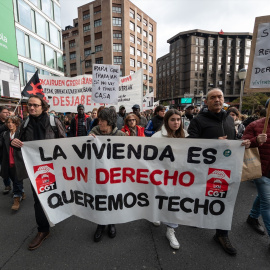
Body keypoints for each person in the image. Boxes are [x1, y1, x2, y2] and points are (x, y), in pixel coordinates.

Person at [187, 88, 250, 256]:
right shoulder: (198, 121)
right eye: (213, 97)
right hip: (203, 170)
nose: (217, 99)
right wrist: (214, 143)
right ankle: (196, 216)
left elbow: (233, 141)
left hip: (224, 170)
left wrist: (242, 143)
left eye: (220, 96)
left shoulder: (229, 119)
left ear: (224, 100)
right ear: (206, 102)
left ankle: (222, 235)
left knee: (222, 202)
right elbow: (189, 145)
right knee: (202, 198)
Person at [11, 95, 65, 250]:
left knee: (54, 195)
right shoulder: (25, 123)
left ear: (44, 107)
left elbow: (64, 143)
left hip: (54, 168)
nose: (32, 108)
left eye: (35, 105)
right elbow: (17, 142)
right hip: (36, 170)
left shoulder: (55, 122)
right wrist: (13, 142)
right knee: (39, 199)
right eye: (29, 105)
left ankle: (54, 216)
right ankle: (43, 230)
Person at [89, 107, 126, 242]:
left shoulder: (121, 136)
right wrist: (87, 140)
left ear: (110, 121)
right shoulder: (94, 133)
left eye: (102, 120)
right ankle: (100, 224)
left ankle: (111, 222)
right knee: (100, 199)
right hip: (99, 176)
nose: (99, 122)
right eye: (99, 119)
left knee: (112, 199)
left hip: (115, 176)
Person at [152, 109, 186, 250]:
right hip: (160, 176)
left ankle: (171, 229)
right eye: (172, 119)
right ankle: (155, 214)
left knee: (173, 203)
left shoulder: (187, 136)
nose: (176, 122)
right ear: (166, 121)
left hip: (179, 177)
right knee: (159, 198)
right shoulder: (156, 137)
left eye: (178, 119)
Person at [242, 98, 270, 245]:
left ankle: (252, 217)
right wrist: (256, 141)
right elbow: (243, 145)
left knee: (263, 197)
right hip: (261, 170)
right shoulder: (254, 125)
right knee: (268, 203)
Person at [0, 116, 25, 210]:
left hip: (19, 160)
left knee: (17, 179)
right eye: (8, 122)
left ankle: (17, 198)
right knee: (14, 179)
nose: (10, 124)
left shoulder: (21, 133)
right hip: (7, 160)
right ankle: (21, 192)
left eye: (12, 122)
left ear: (16, 123)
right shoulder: (4, 134)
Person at [0, 106, 11, 194]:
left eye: (8, 112)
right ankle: (7, 185)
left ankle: (18, 190)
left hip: (10, 150)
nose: (7, 113)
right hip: (1, 151)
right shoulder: (4, 125)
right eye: (4, 112)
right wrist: (5, 126)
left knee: (13, 169)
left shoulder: (10, 122)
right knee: (3, 169)